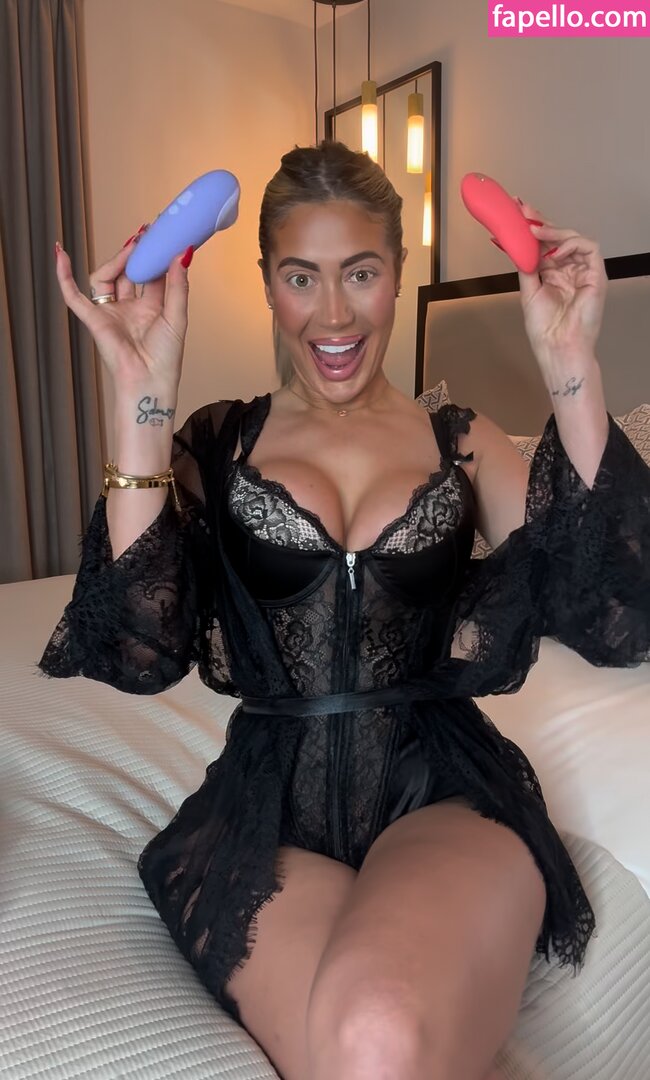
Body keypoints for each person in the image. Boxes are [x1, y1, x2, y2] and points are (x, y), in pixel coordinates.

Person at [40, 141, 649, 1080]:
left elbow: (615, 614)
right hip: (261, 813)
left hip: (441, 794)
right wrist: (140, 396)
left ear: (398, 273)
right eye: (302, 277)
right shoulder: (220, 442)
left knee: (377, 1035)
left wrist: (571, 366)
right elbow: (138, 648)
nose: (332, 314)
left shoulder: (461, 441)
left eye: (360, 273)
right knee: (370, 1051)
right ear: (268, 284)